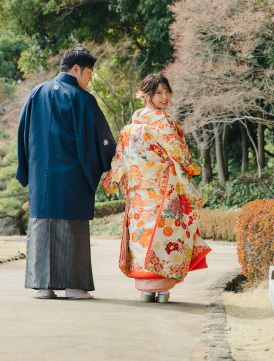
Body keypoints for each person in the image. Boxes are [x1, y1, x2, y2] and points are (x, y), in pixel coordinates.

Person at [101, 73, 211, 303]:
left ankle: (146, 289)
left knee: (143, 236)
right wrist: (191, 168)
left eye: (166, 91)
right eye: (158, 92)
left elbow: (120, 159)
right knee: (164, 236)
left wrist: (111, 182)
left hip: (139, 194)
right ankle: (161, 290)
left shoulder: (128, 129)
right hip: (164, 191)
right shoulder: (165, 123)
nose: (164, 97)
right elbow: (180, 154)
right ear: (145, 95)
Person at [16, 47, 116, 299]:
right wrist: (111, 162)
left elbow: (22, 133)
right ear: (76, 69)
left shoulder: (36, 93)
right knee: (71, 227)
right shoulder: (82, 99)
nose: (90, 78)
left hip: (41, 177)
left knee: (42, 225)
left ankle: (43, 286)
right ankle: (73, 287)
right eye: (89, 72)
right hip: (72, 176)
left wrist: (26, 168)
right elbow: (101, 140)